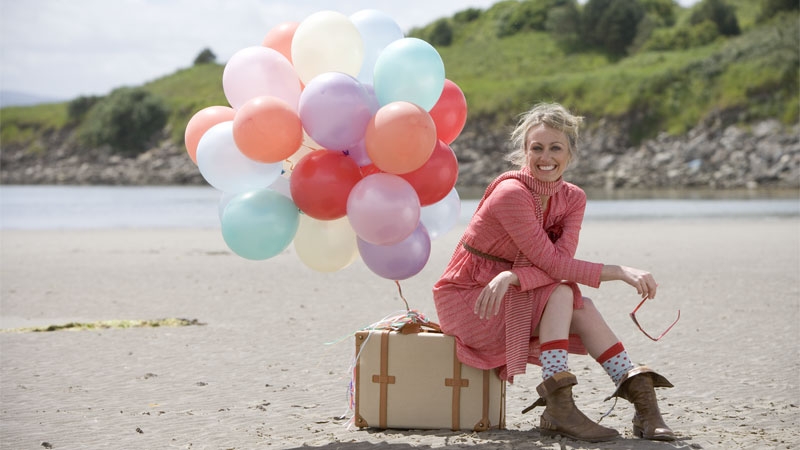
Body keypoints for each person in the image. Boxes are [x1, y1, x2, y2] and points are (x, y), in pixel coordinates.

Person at [432, 102, 675, 442]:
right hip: (472, 298)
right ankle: (560, 406)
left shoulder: (573, 198)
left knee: (577, 302)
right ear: (524, 152)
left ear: (571, 154)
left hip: (514, 290)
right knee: (563, 293)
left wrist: (516, 277)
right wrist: (619, 271)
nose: (545, 157)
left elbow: (558, 263)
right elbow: (556, 267)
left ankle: (644, 405)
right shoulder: (511, 194)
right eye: (537, 148)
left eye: (555, 148)